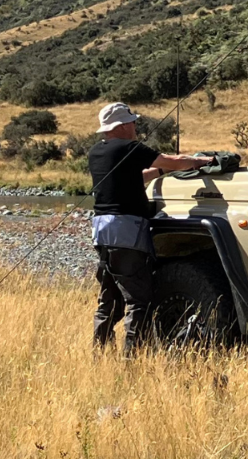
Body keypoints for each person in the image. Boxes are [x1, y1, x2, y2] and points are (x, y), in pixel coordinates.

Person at [89, 102, 211, 354]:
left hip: (102, 233)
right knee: (138, 301)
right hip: (127, 234)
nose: (135, 126)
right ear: (122, 126)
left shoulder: (96, 153)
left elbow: (133, 178)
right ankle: (132, 358)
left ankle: (99, 353)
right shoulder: (129, 147)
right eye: (132, 122)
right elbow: (172, 161)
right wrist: (201, 161)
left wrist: (157, 171)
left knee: (108, 299)